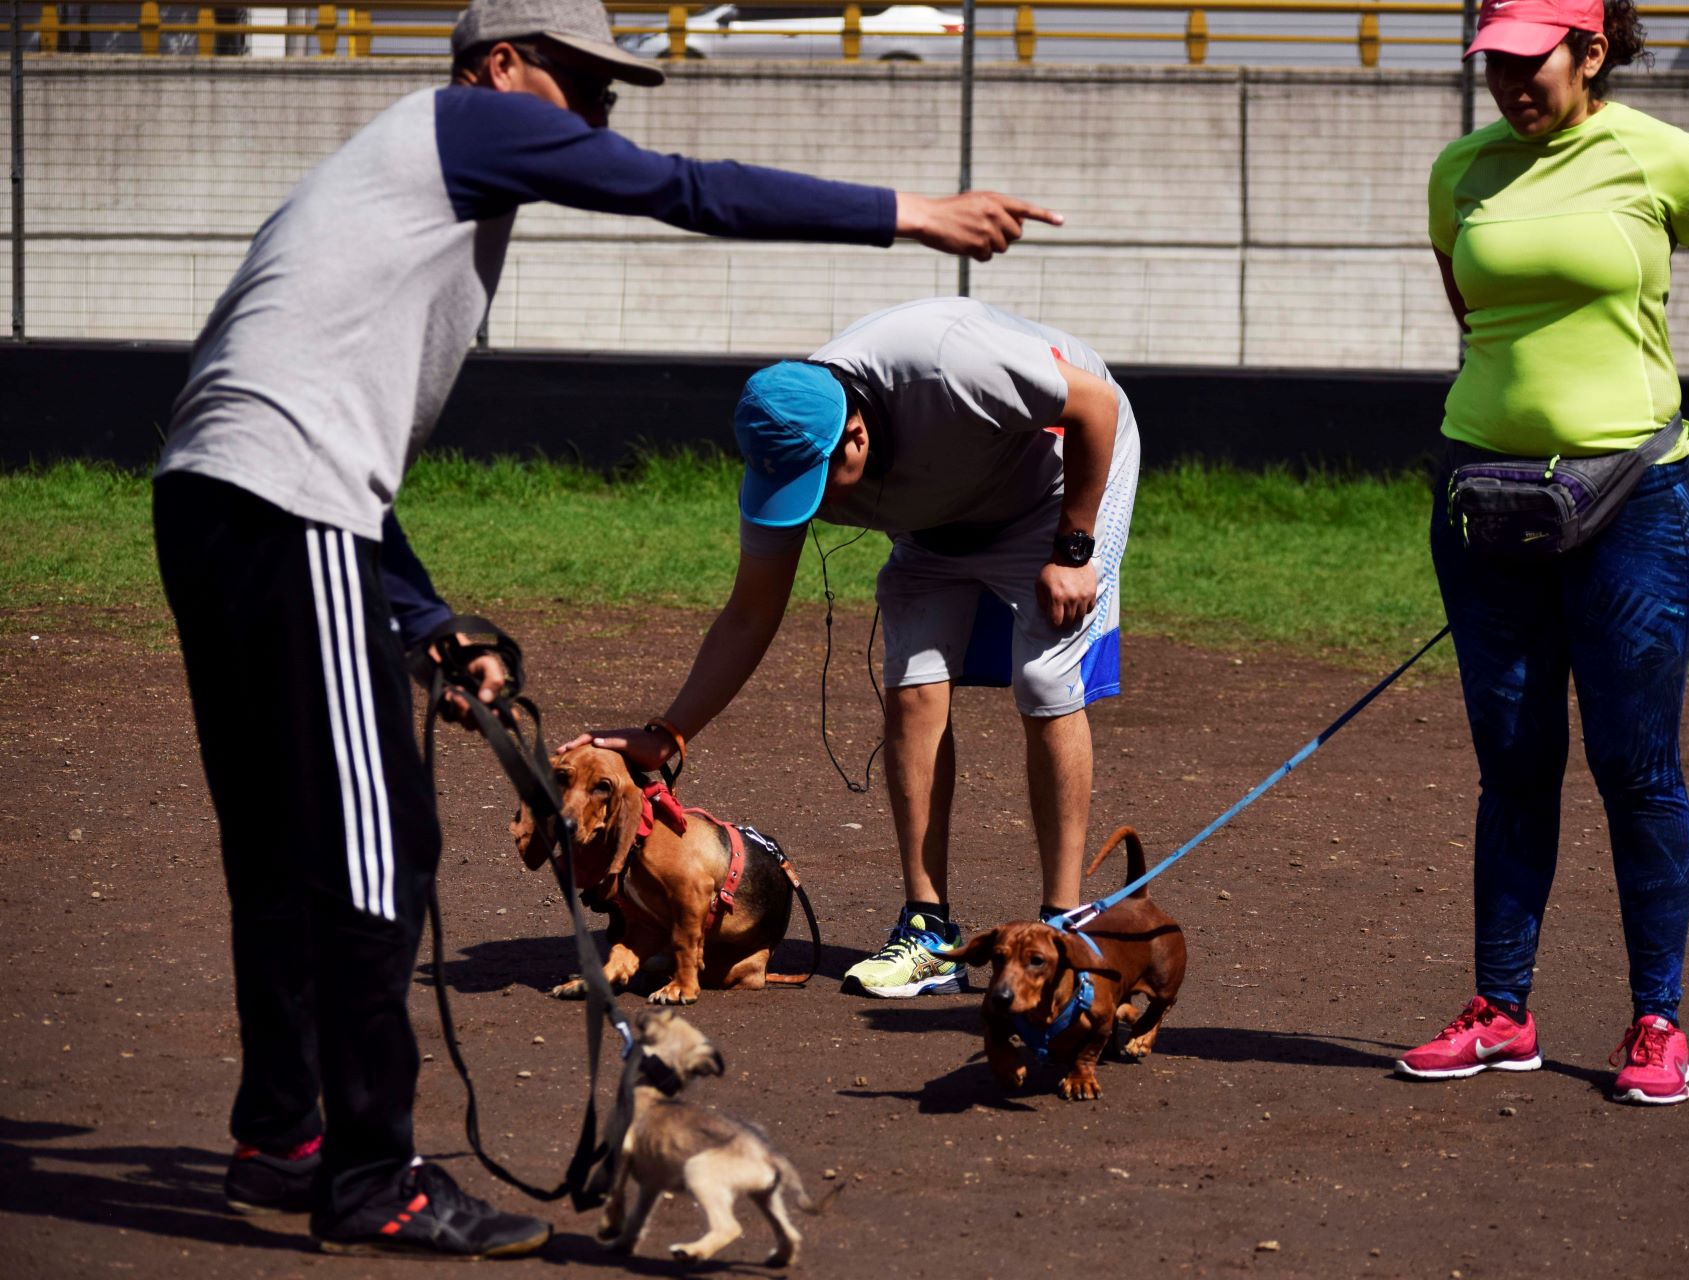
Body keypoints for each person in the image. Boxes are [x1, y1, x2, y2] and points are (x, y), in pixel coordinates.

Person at [151, 0, 1057, 1258]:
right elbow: (681, 190)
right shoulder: (464, 126)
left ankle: (282, 1133)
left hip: (221, 503)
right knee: (380, 848)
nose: (601, 113)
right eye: (580, 83)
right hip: (282, 511)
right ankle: (368, 1172)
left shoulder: (391, 186)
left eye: (611, 90)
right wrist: (910, 214)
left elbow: (316, 433)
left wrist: (425, 618)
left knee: (282, 839)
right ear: (500, 67)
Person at [1393, 0, 1689, 1105]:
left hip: (1633, 503)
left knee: (1636, 765)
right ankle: (1501, 1008)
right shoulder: (1462, 171)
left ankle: (1657, 1019)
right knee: (1514, 762)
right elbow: (1476, 313)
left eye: (1532, 65)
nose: (1510, 85)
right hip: (1488, 504)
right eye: (1495, 67)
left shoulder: (1661, 158)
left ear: (1589, 52)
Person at [572, 297, 1137, 998]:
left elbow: (1095, 404)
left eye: (816, 487)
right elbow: (751, 613)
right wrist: (671, 730)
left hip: (1055, 482)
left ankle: (1065, 924)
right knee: (912, 687)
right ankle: (928, 930)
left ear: (859, 438)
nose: (808, 510)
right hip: (936, 521)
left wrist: (1074, 547)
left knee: (1045, 679)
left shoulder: (949, 362)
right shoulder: (788, 447)